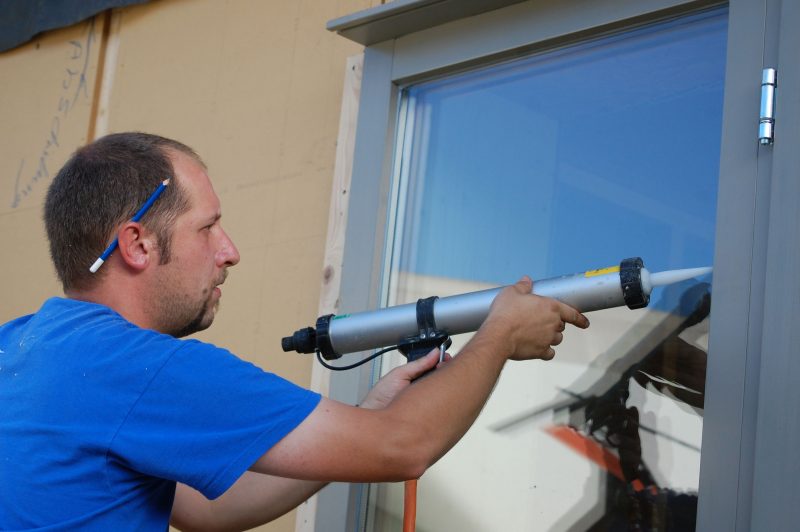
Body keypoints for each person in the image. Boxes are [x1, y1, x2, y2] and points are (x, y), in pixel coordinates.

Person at [0, 132, 589, 531]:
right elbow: (404, 448)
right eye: (208, 229)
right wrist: (502, 334)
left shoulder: (21, 348)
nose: (230, 252)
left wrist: (370, 411)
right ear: (137, 243)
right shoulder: (135, 368)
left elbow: (205, 512)